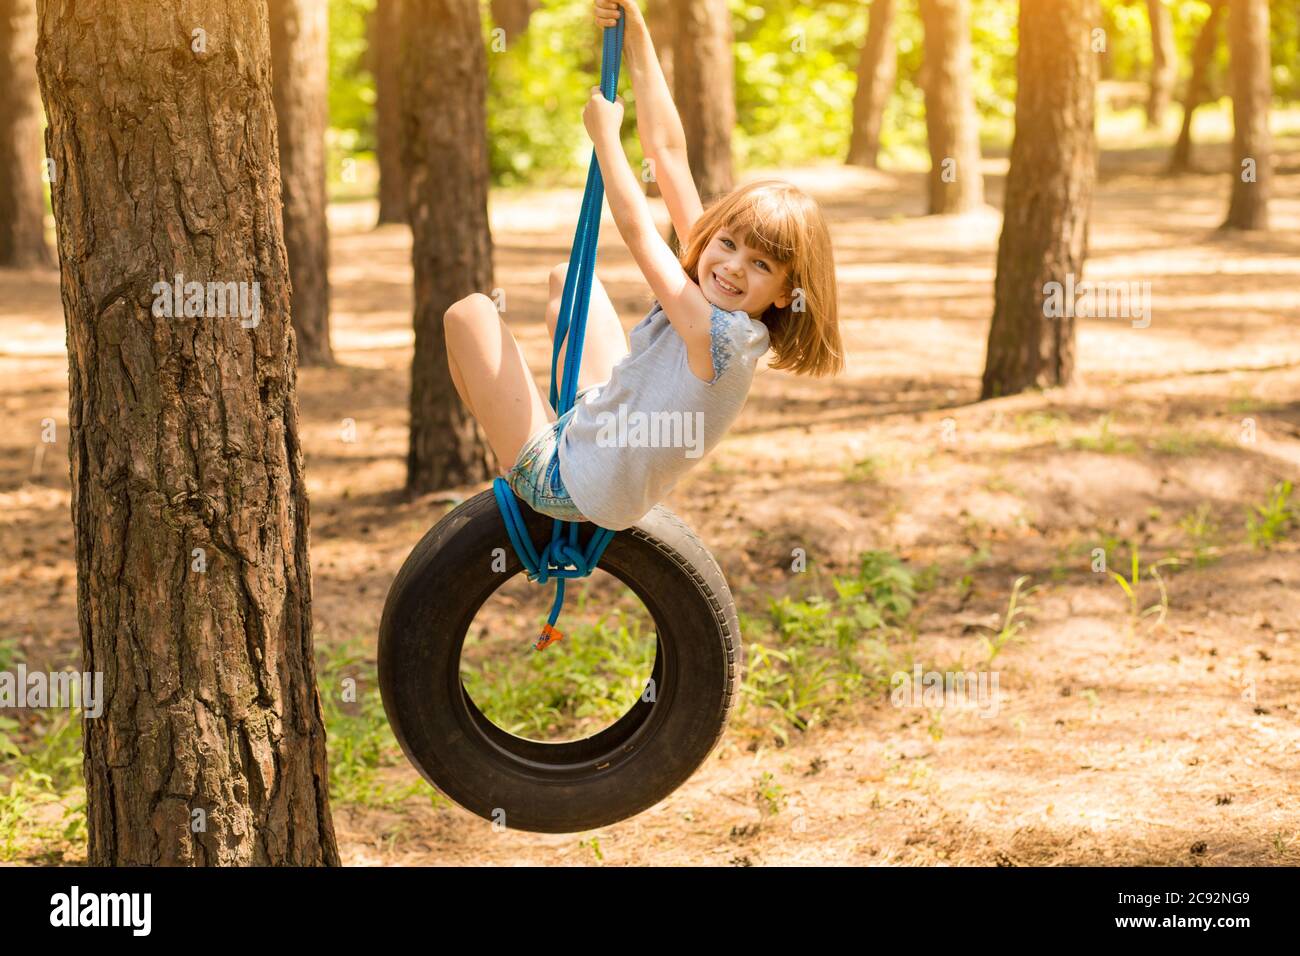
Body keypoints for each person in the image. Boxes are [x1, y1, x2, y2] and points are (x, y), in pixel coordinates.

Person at [444, 0, 842, 532]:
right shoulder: (719, 287)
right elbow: (668, 153)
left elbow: (636, 233)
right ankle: (540, 424)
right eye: (729, 244)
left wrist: (605, 138)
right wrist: (637, 36)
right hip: (603, 441)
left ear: (783, 293)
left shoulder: (720, 333)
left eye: (761, 264)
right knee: (570, 281)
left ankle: (515, 453)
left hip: (567, 484)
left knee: (468, 314)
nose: (731, 267)